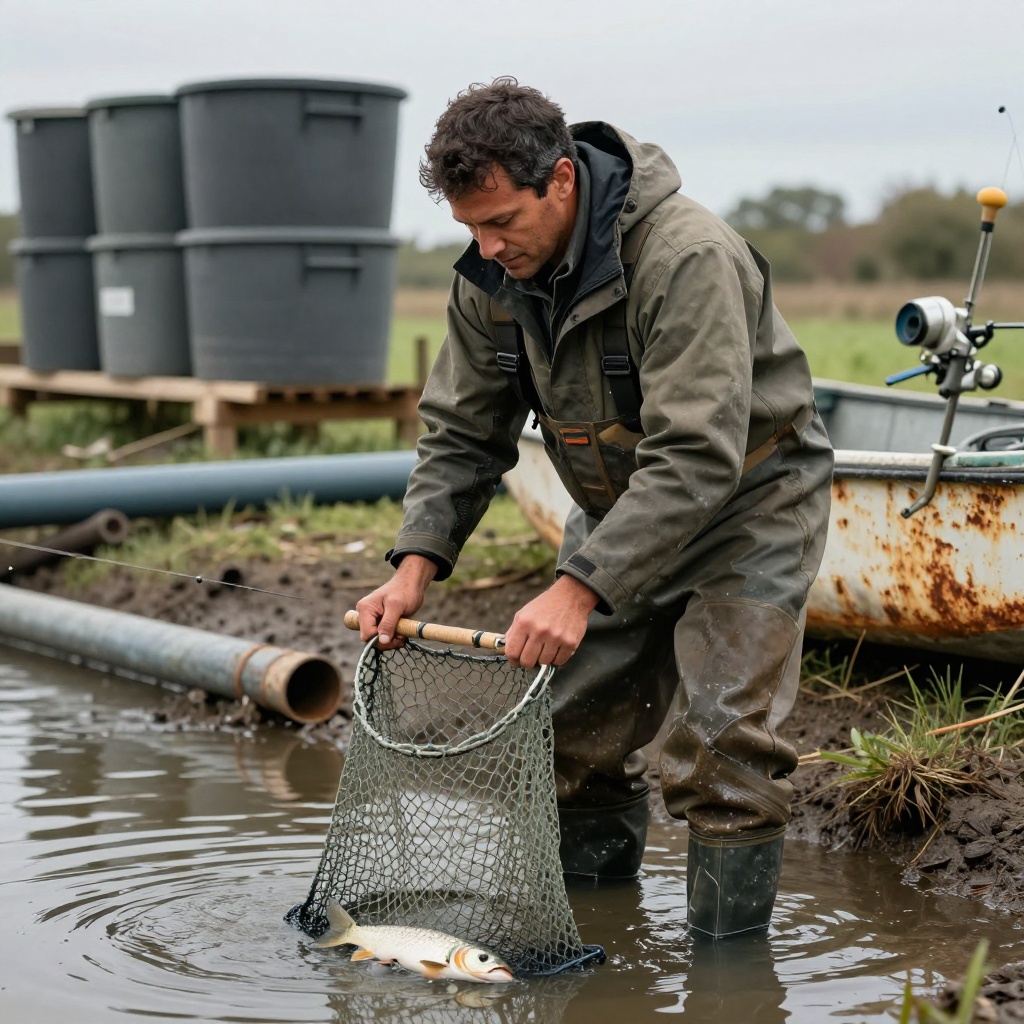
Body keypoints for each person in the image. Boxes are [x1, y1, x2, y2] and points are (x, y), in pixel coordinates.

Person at [356, 78, 834, 939]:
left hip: (749, 509)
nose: (489, 245)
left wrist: (576, 589)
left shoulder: (687, 256)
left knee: (725, 753)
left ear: (564, 181)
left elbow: (697, 454)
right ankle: (593, 952)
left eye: (503, 221)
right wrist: (412, 568)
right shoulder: (491, 280)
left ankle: (729, 984)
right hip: (617, 512)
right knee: (568, 737)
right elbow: (462, 434)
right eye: (471, 227)